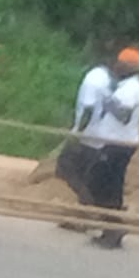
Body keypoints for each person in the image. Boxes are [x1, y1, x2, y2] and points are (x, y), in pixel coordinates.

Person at [86, 48, 139, 249]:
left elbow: (124, 116)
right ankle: (112, 227)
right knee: (109, 185)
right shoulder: (127, 86)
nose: (116, 67)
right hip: (116, 142)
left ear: (128, 68)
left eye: (121, 64)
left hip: (118, 144)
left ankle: (114, 227)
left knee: (101, 183)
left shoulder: (130, 89)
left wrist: (106, 100)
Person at [56, 56, 114, 213]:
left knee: (64, 167)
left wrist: (77, 134)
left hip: (86, 136)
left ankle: (87, 204)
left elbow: (88, 109)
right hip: (98, 135)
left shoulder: (92, 78)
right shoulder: (106, 79)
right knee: (83, 175)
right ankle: (84, 212)